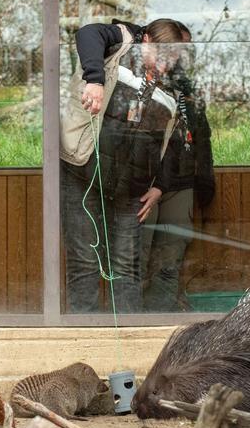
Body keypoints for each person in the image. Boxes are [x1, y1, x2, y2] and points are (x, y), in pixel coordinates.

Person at [60, 18, 190, 313]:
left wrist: (160, 186)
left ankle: (129, 340)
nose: (165, 65)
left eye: (173, 59)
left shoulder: (173, 86)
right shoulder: (120, 41)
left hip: (132, 191)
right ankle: (86, 338)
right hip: (81, 172)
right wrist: (94, 79)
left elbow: (175, 141)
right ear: (146, 42)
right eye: (161, 55)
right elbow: (87, 33)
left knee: (127, 268)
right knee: (84, 261)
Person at [140, 43, 216, 312]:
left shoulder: (188, 89)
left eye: (183, 51)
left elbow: (201, 139)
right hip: (146, 184)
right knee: (139, 261)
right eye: (174, 49)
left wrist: (205, 180)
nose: (177, 58)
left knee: (170, 261)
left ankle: (161, 320)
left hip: (182, 182)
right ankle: (136, 324)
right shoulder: (141, 79)